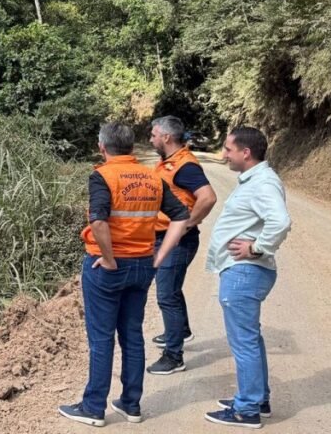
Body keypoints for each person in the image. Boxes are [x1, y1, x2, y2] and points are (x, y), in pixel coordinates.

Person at [59, 122, 190, 427]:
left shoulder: (102, 176)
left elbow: (100, 222)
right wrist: (160, 254)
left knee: (102, 338)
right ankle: (131, 404)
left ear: (102, 147)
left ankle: (93, 408)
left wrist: (107, 258)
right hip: (143, 264)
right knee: (132, 334)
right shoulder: (152, 177)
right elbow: (181, 216)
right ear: (132, 147)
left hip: (107, 268)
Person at [204, 126, 291, 429]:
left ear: (246, 152)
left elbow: (280, 221)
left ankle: (247, 409)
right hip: (245, 272)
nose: (224, 154)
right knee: (250, 339)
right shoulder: (257, 180)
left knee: (244, 342)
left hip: (245, 273)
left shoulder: (263, 183)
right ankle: (257, 398)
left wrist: (256, 247)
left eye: (228, 149)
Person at [147, 116, 217, 375]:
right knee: (171, 289)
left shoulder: (185, 166)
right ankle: (180, 331)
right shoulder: (169, 162)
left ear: (166, 137)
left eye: (154, 134)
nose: (150, 139)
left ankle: (174, 356)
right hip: (166, 236)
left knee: (166, 295)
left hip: (176, 240)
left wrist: (187, 223)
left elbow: (208, 197)